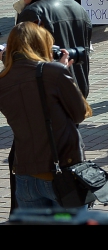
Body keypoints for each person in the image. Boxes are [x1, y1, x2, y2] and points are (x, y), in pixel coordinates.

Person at [0, 22, 91, 211]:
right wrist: (62, 72)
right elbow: (80, 113)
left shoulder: (3, 79)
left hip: (25, 176)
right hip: (60, 175)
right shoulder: (54, 72)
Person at [15, 0, 92, 98]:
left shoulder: (33, 12)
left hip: (48, 98)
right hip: (78, 96)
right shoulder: (79, 8)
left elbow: (24, 63)